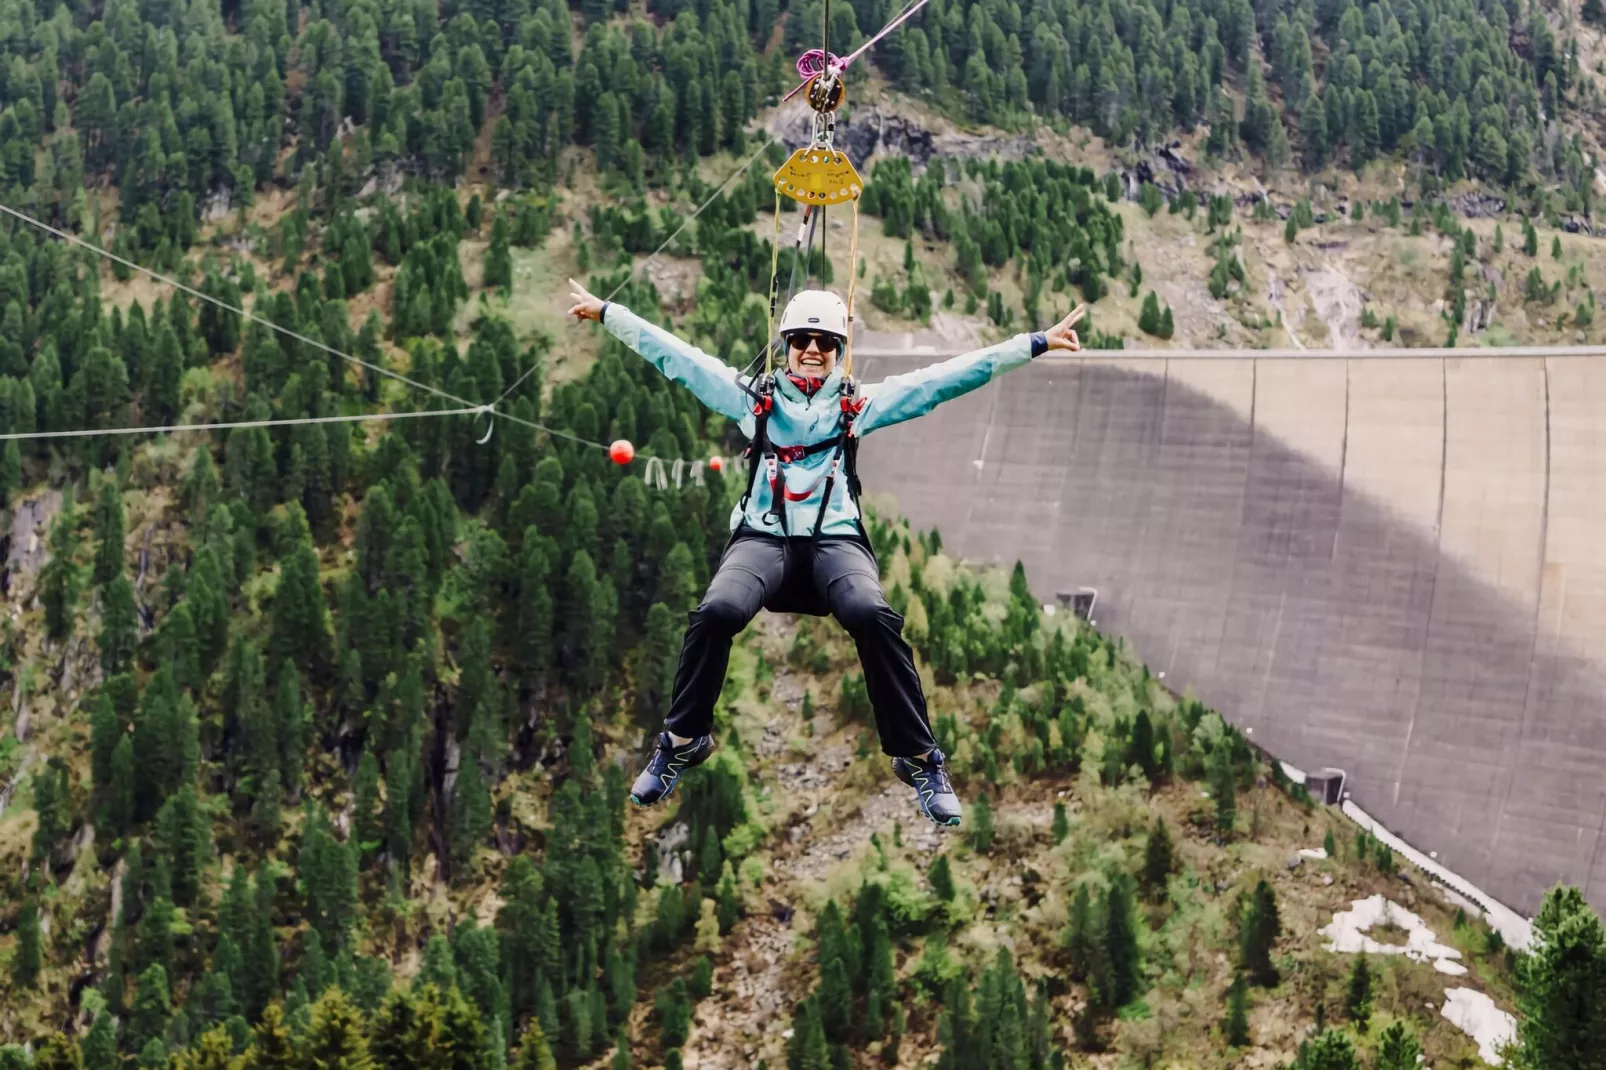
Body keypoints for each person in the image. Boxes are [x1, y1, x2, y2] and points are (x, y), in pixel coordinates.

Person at [567, 279, 1085, 825]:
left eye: (826, 342)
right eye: (801, 341)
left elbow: (946, 379)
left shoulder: (857, 406)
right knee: (716, 612)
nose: (813, 350)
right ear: (785, 346)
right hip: (763, 537)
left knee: (872, 614)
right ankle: (681, 741)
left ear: (840, 351)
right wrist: (609, 314)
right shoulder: (754, 401)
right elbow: (678, 357)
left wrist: (1034, 343)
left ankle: (920, 759)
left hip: (835, 541)